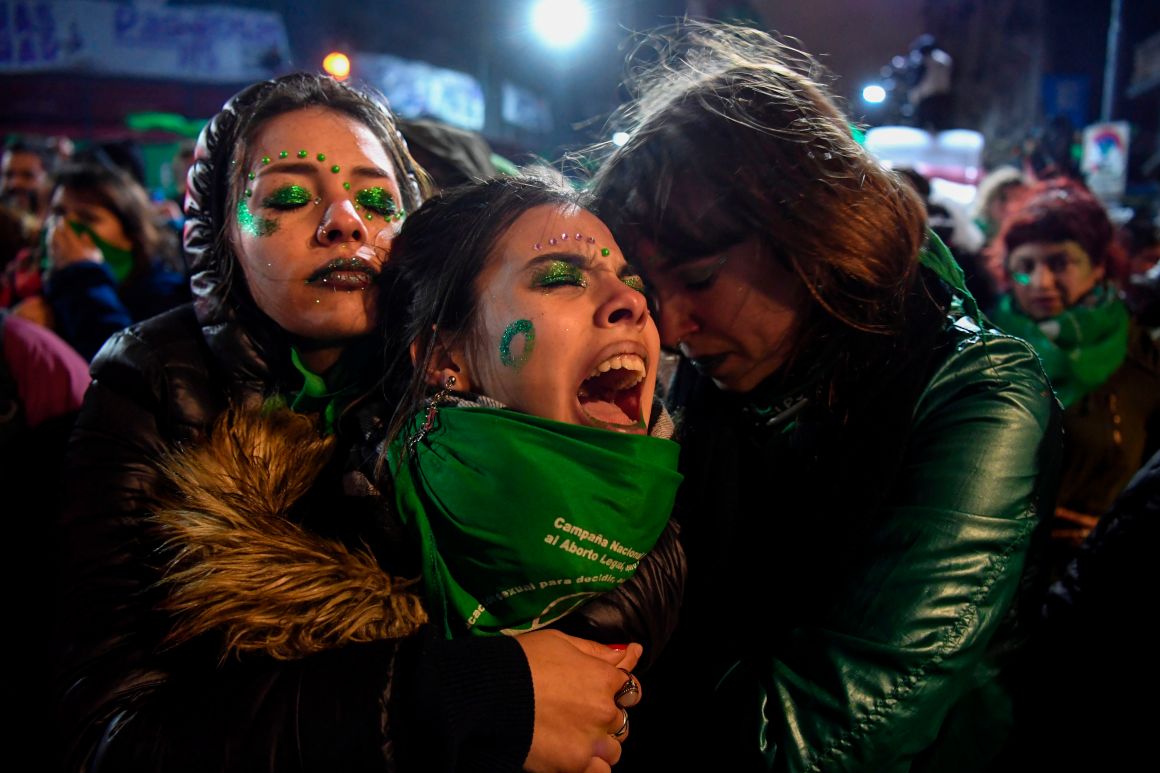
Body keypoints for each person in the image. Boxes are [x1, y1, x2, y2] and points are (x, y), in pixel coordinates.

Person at [53, 72, 640, 773]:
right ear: (220, 237)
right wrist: (445, 695)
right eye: (291, 197)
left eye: (377, 199)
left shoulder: (470, 352)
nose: (344, 223)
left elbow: (627, 544)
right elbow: (109, 734)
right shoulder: (151, 382)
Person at [587, 21, 1063, 772]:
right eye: (654, 291)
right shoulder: (726, 375)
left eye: (702, 277)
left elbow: (829, 736)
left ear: (810, 233)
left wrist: (583, 691)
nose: (673, 326)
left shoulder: (978, 397)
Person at [372, 171, 684, 658]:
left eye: (632, 282)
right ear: (447, 359)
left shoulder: (690, 540)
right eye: (561, 279)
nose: (633, 302)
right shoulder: (332, 544)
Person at [986, 178, 1160, 580]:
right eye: (1025, 268)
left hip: (1093, 585)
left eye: (1060, 263)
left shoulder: (1143, 366)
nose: (1042, 282)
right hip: (995, 581)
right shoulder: (984, 353)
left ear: (1098, 266)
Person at [12, 161, 190, 360]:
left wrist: (83, 274)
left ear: (130, 234)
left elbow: (123, 370)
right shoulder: (42, 286)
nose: (64, 227)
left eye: (87, 218)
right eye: (58, 213)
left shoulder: (166, 299)